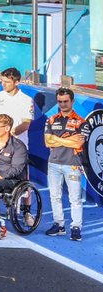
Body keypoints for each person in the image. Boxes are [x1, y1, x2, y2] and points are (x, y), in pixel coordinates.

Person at [43, 87, 87, 241]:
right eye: (60, 101)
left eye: (66, 101)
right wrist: (67, 140)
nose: (62, 104)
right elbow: (47, 141)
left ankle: (76, 227)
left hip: (72, 164)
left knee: (74, 198)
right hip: (53, 163)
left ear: (72, 101)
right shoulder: (51, 119)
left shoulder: (81, 122)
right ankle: (59, 225)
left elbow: (78, 143)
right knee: (54, 196)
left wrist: (57, 140)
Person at [0, 67, 34, 148]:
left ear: (16, 82)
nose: (3, 84)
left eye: (7, 82)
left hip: (18, 145)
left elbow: (26, 124)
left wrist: (8, 135)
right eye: (2, 81)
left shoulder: (26, 100)